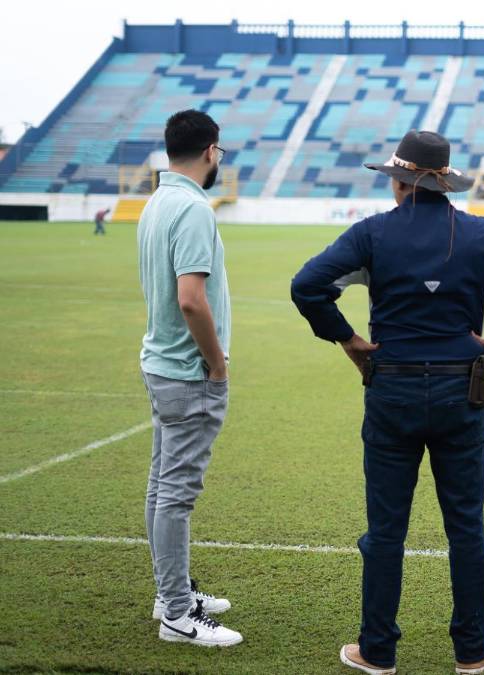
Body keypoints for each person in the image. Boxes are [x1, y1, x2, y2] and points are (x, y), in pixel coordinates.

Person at [291, 130, 484, 675]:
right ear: (444, 183)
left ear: (399, 181)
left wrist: (348, 339)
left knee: (385, 530)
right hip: (462, 391)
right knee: (466, 527)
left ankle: (376, 650)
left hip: (390, 388)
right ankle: (472, 650)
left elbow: (307, 285)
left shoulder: (371, 232)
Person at [136, 109, 241, 647]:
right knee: (175, 494)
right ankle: (178, 615)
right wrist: (217, 363)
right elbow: (191, 299)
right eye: (220, 151)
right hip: (187, 371)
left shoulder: (157, 200)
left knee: (161, 487)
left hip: (160, 363)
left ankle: (169, 593)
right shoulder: (194, 209)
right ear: (210, 151)